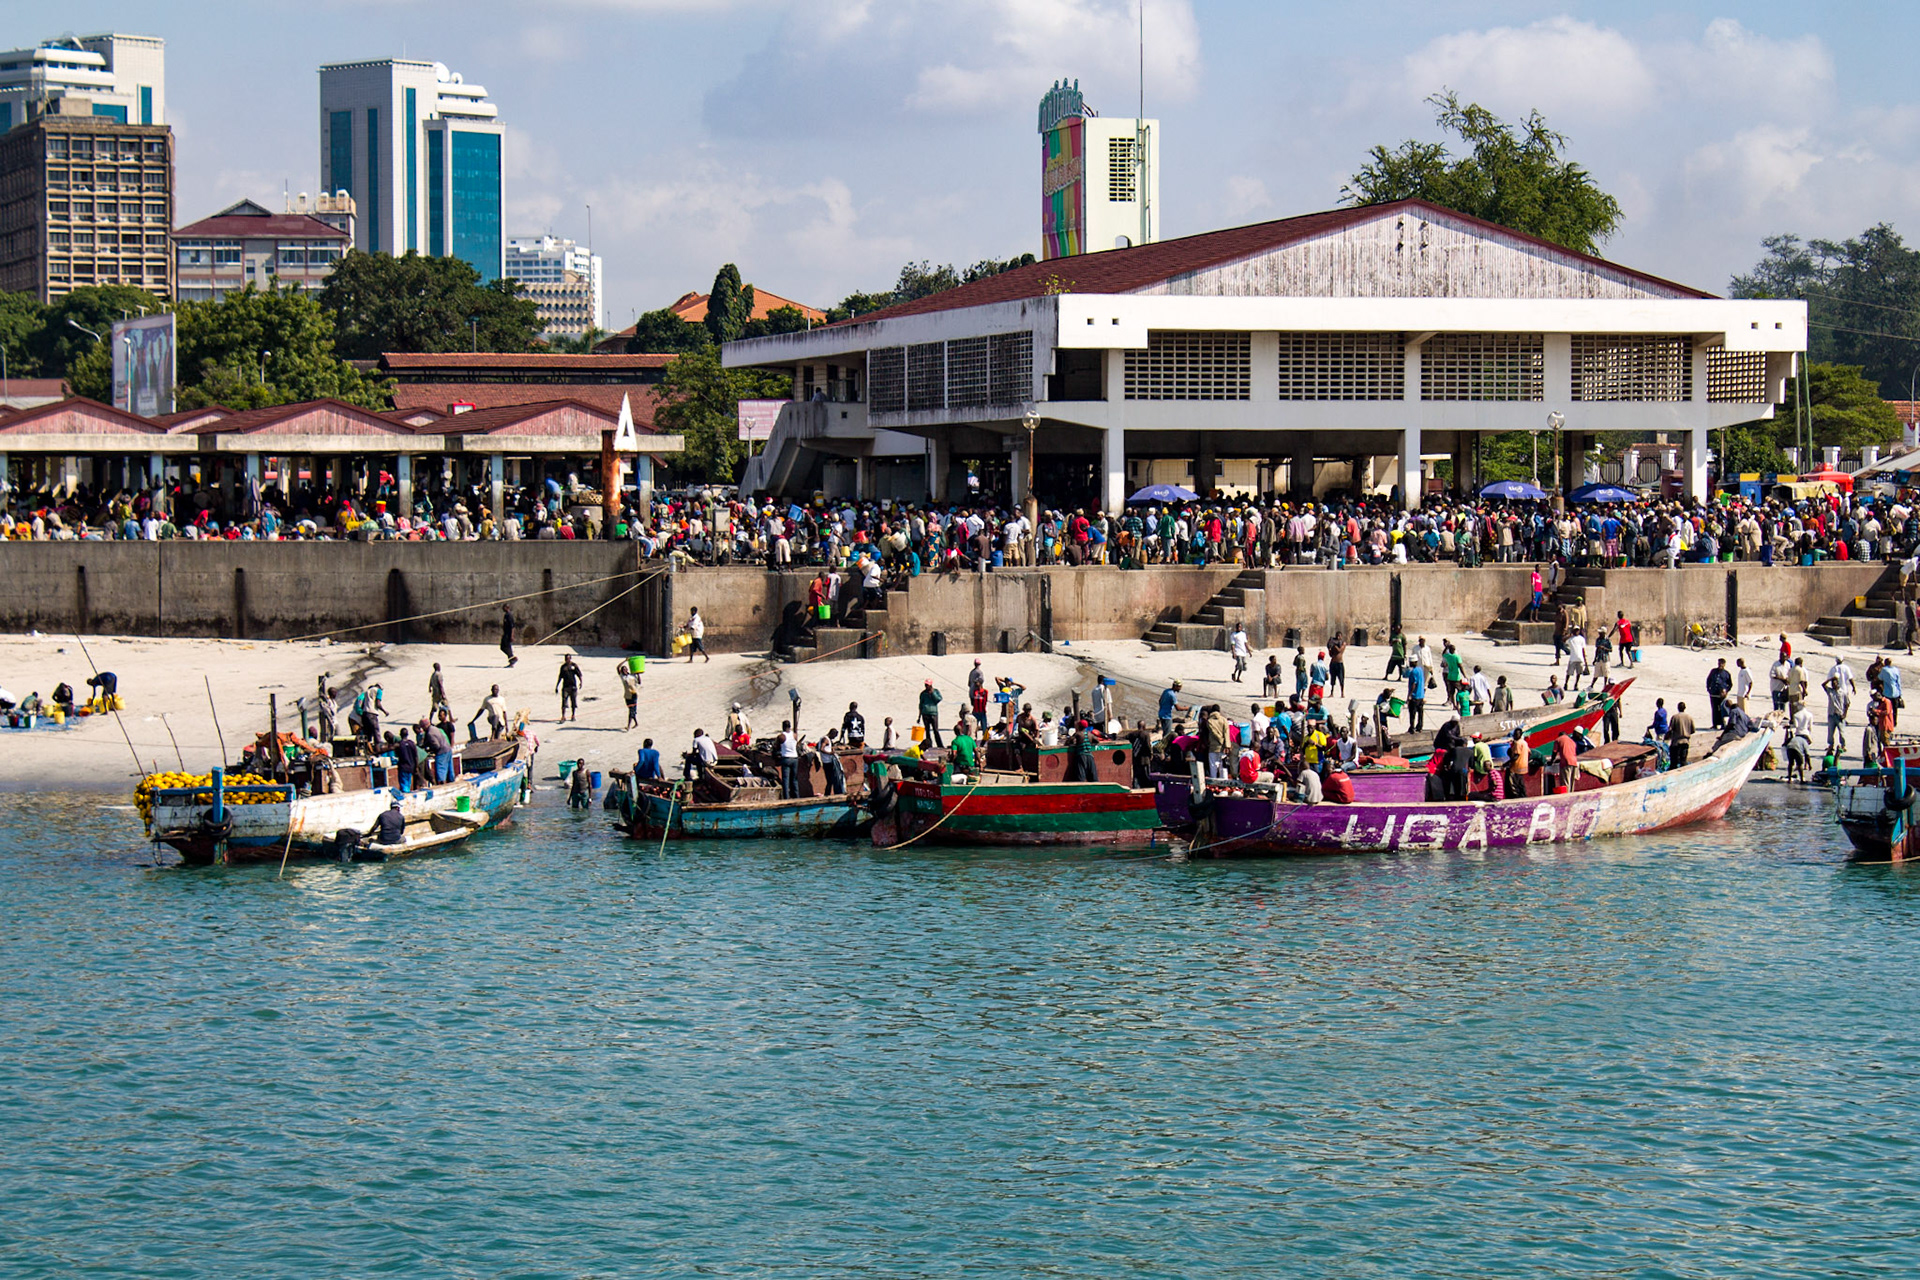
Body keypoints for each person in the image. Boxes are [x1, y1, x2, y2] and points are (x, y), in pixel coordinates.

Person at [1824, 657, 1856, 754]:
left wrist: (1844, 714)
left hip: (1839, 713)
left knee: (1841, 732)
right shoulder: (1830, 691)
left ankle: (1843, 745)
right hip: (1831, 713)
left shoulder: (1833, 669)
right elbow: (1851, 679)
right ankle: (1831, 745)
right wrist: (1854, 687)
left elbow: (1847, 704)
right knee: (1830, 732)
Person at [555, 654, 584, 723]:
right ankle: (563, 716)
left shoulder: (574, 666)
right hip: (565, 686)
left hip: (573, 686)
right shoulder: (563, 667)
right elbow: (560, 677)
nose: (567, 660)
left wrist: (581, 682)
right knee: (564, 701)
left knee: (573, 701)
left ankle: (573, 715)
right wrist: (557, 686)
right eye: (566, 659)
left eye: (568, 659)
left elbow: (579, 674)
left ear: (570, 659)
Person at [1668, 701, 1696, 769]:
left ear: (1678, 708)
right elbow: (1693, 730)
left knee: (1674, 763)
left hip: (1676, 743)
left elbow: (1670, 730)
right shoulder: (1689, 717)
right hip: (1685, 742)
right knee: (1683, 761)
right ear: (1685, 708)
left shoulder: (1675, 717)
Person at [1706, 658, 1733, 730]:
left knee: (1722, 709)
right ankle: (1715, 724)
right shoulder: (1713, 671)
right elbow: (1708, 680)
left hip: (1722, 695)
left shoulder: (1726, 673)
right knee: (1714, 709)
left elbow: (1730, 684)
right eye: (1719, 663)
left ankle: (1722, 725)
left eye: (1721, 664)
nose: (1720, 665)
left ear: (1724, 664)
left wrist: (1726, 691)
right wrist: (1709, 689)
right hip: (1713, 693)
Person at [918, 679, 944, 748]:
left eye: (927, 685)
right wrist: (919, 716)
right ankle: (929, 745)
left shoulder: (935, 691)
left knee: (935, 730)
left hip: (933, 713)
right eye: (925, 685)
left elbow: (938, 699)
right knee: (927, 731)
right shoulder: (923, 694)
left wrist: (932, 693)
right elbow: (920, 705)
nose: (926, 686)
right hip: (925, 713)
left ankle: (940, 745)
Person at [777, 721, 800, 797]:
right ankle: (796, 796)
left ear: (783, 727)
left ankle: (786, 797)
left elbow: (776, 747)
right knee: (794, 779)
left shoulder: (781, 736)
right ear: (790, 727)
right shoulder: (795, 735)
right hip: (795, 758)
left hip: (786, 758)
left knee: (786, 780)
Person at [393, 728, 419, 793]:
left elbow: (394, 752)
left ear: (400, 735)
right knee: (408, 783)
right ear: (407, 734)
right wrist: (416, 767)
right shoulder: (412, 743)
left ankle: (406, 796)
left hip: (403, 767)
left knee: (404, 785)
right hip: (411, 767)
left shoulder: (399, 744)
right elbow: (415, 756)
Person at [1405, 659, 1427, 732]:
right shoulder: (1420, 670)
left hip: (1415, 696)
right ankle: (1419, 727)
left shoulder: (1413, 672)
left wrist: (1409, 695)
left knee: (1412, 713)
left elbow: (1414, 684)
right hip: (1421, 695)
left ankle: (1412, 727)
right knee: (1420, 713)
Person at [619, 664, 640, 730]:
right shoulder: (623, 677)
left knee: (631, 711)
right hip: (627, 695)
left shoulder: (632, 675)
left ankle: (628, 726)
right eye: (623, 670)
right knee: (631, 710)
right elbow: (617, 667)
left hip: (634, 694)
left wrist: (638, 674)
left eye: (625, 669)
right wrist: (625, 661)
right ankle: (636, 723)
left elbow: (639, 682)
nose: (624, 670)